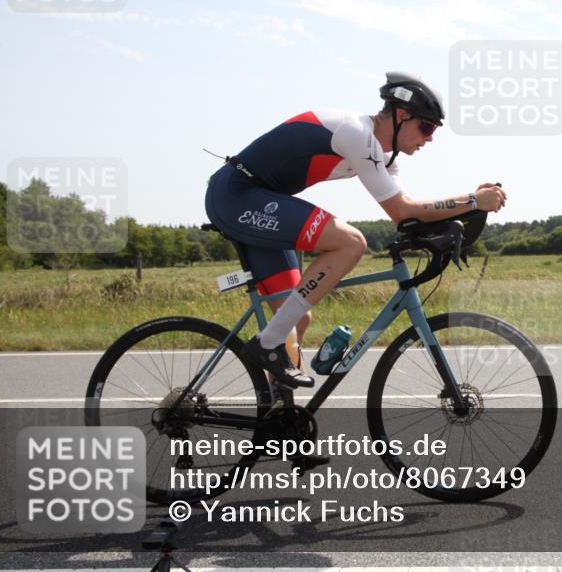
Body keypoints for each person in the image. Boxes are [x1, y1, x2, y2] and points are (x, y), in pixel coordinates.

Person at [205, 72, 507, 388]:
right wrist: (473, 200)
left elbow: (407, 215)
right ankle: (265, 346)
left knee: (296, 320)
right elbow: (403, 210)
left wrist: (464, 214)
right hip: (236, 195)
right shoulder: (357, 134)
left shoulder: (384, 157)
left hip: (260, 199)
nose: (430, 137)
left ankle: (277, 421)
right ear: (402, 116)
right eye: (427, 126)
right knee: (350, 243)